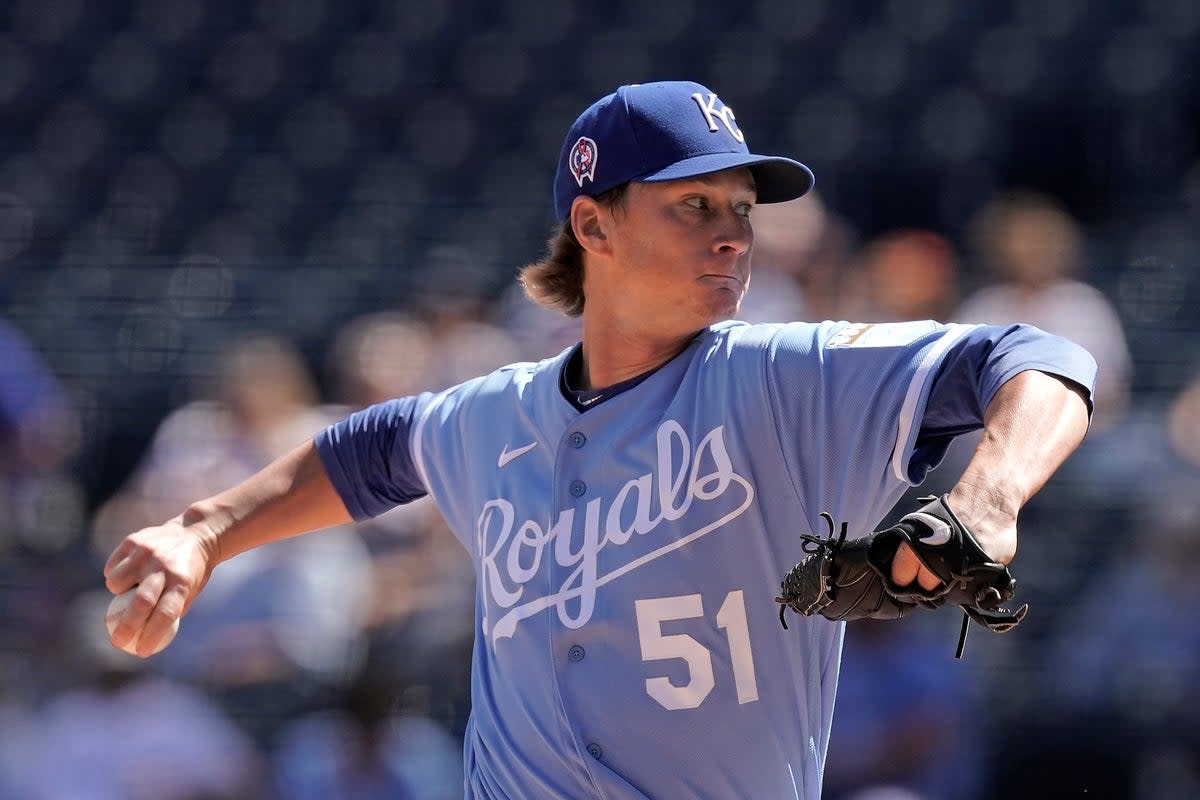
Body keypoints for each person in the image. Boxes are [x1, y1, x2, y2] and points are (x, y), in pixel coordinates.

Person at [103, 80, 1096, 799]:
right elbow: (370, 454)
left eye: (743, 211)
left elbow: (1037, 354)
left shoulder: (788, 375)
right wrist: (203, 528)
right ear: (596, 223)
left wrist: (986, 500)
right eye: (695, 204)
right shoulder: (494, 413)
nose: (734, 235)